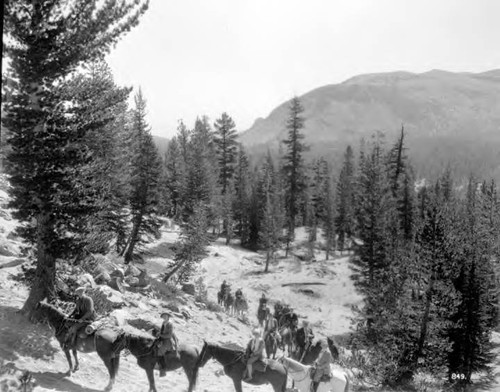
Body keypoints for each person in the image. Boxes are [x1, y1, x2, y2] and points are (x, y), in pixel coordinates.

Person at [157, 311, 179, 377]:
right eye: (163, 316)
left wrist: (161, 335)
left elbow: (169, 335)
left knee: (160, 352)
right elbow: (161, 331)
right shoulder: (163, 323)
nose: (164, 317)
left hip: (168, 341)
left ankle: (163, 370)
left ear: (168, 317)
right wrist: (158, 333)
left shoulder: (170, 324)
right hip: (162, 338)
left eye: (166, 316)